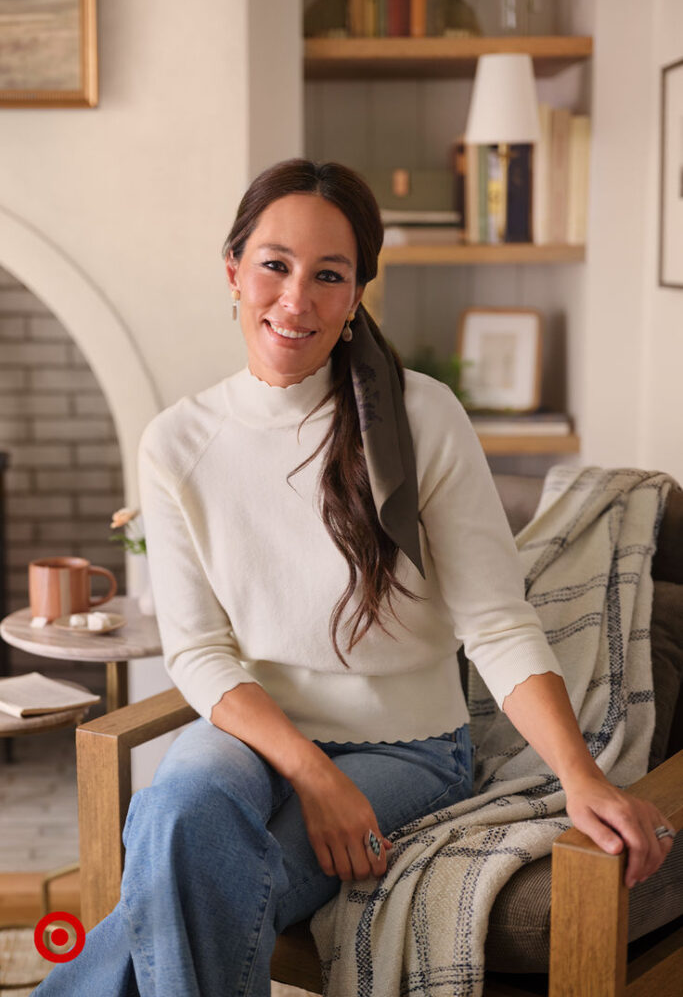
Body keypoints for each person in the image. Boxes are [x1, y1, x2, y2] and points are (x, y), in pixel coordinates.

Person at [32, 159, 675, 997]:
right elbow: (199, 654)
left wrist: (579, 776)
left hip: (407, 750)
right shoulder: (176, 441)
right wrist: (313, 774)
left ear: (354, 294)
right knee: (175, 809)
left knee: (194, 871)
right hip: (252, 734)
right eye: (274, 265)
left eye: (327, 275)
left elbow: (495, 621)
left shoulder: (418, 416)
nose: (295, 298)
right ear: (232, 271)